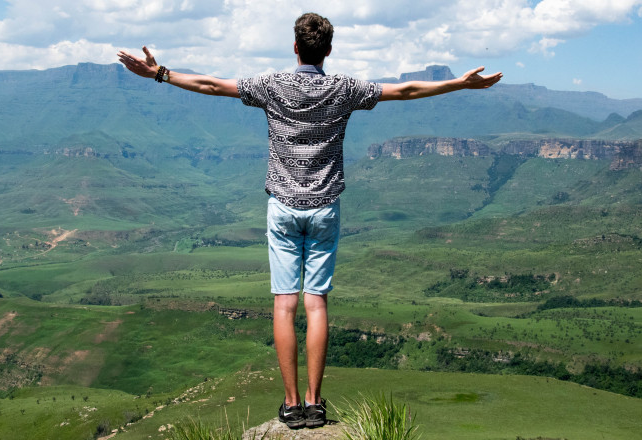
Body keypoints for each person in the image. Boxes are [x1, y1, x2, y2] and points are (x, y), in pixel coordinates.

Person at [118, 12, 502, 430]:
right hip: (324, 209)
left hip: (282, 208)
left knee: (285, 304)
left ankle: (290, 405)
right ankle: (316, 404)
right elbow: (406, 90)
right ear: (329, 51)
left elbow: (211, 85)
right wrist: (460, 84)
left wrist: (160, 73)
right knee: (315, 302)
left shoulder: (272, 85)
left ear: (295, 47)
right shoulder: (344, 88)